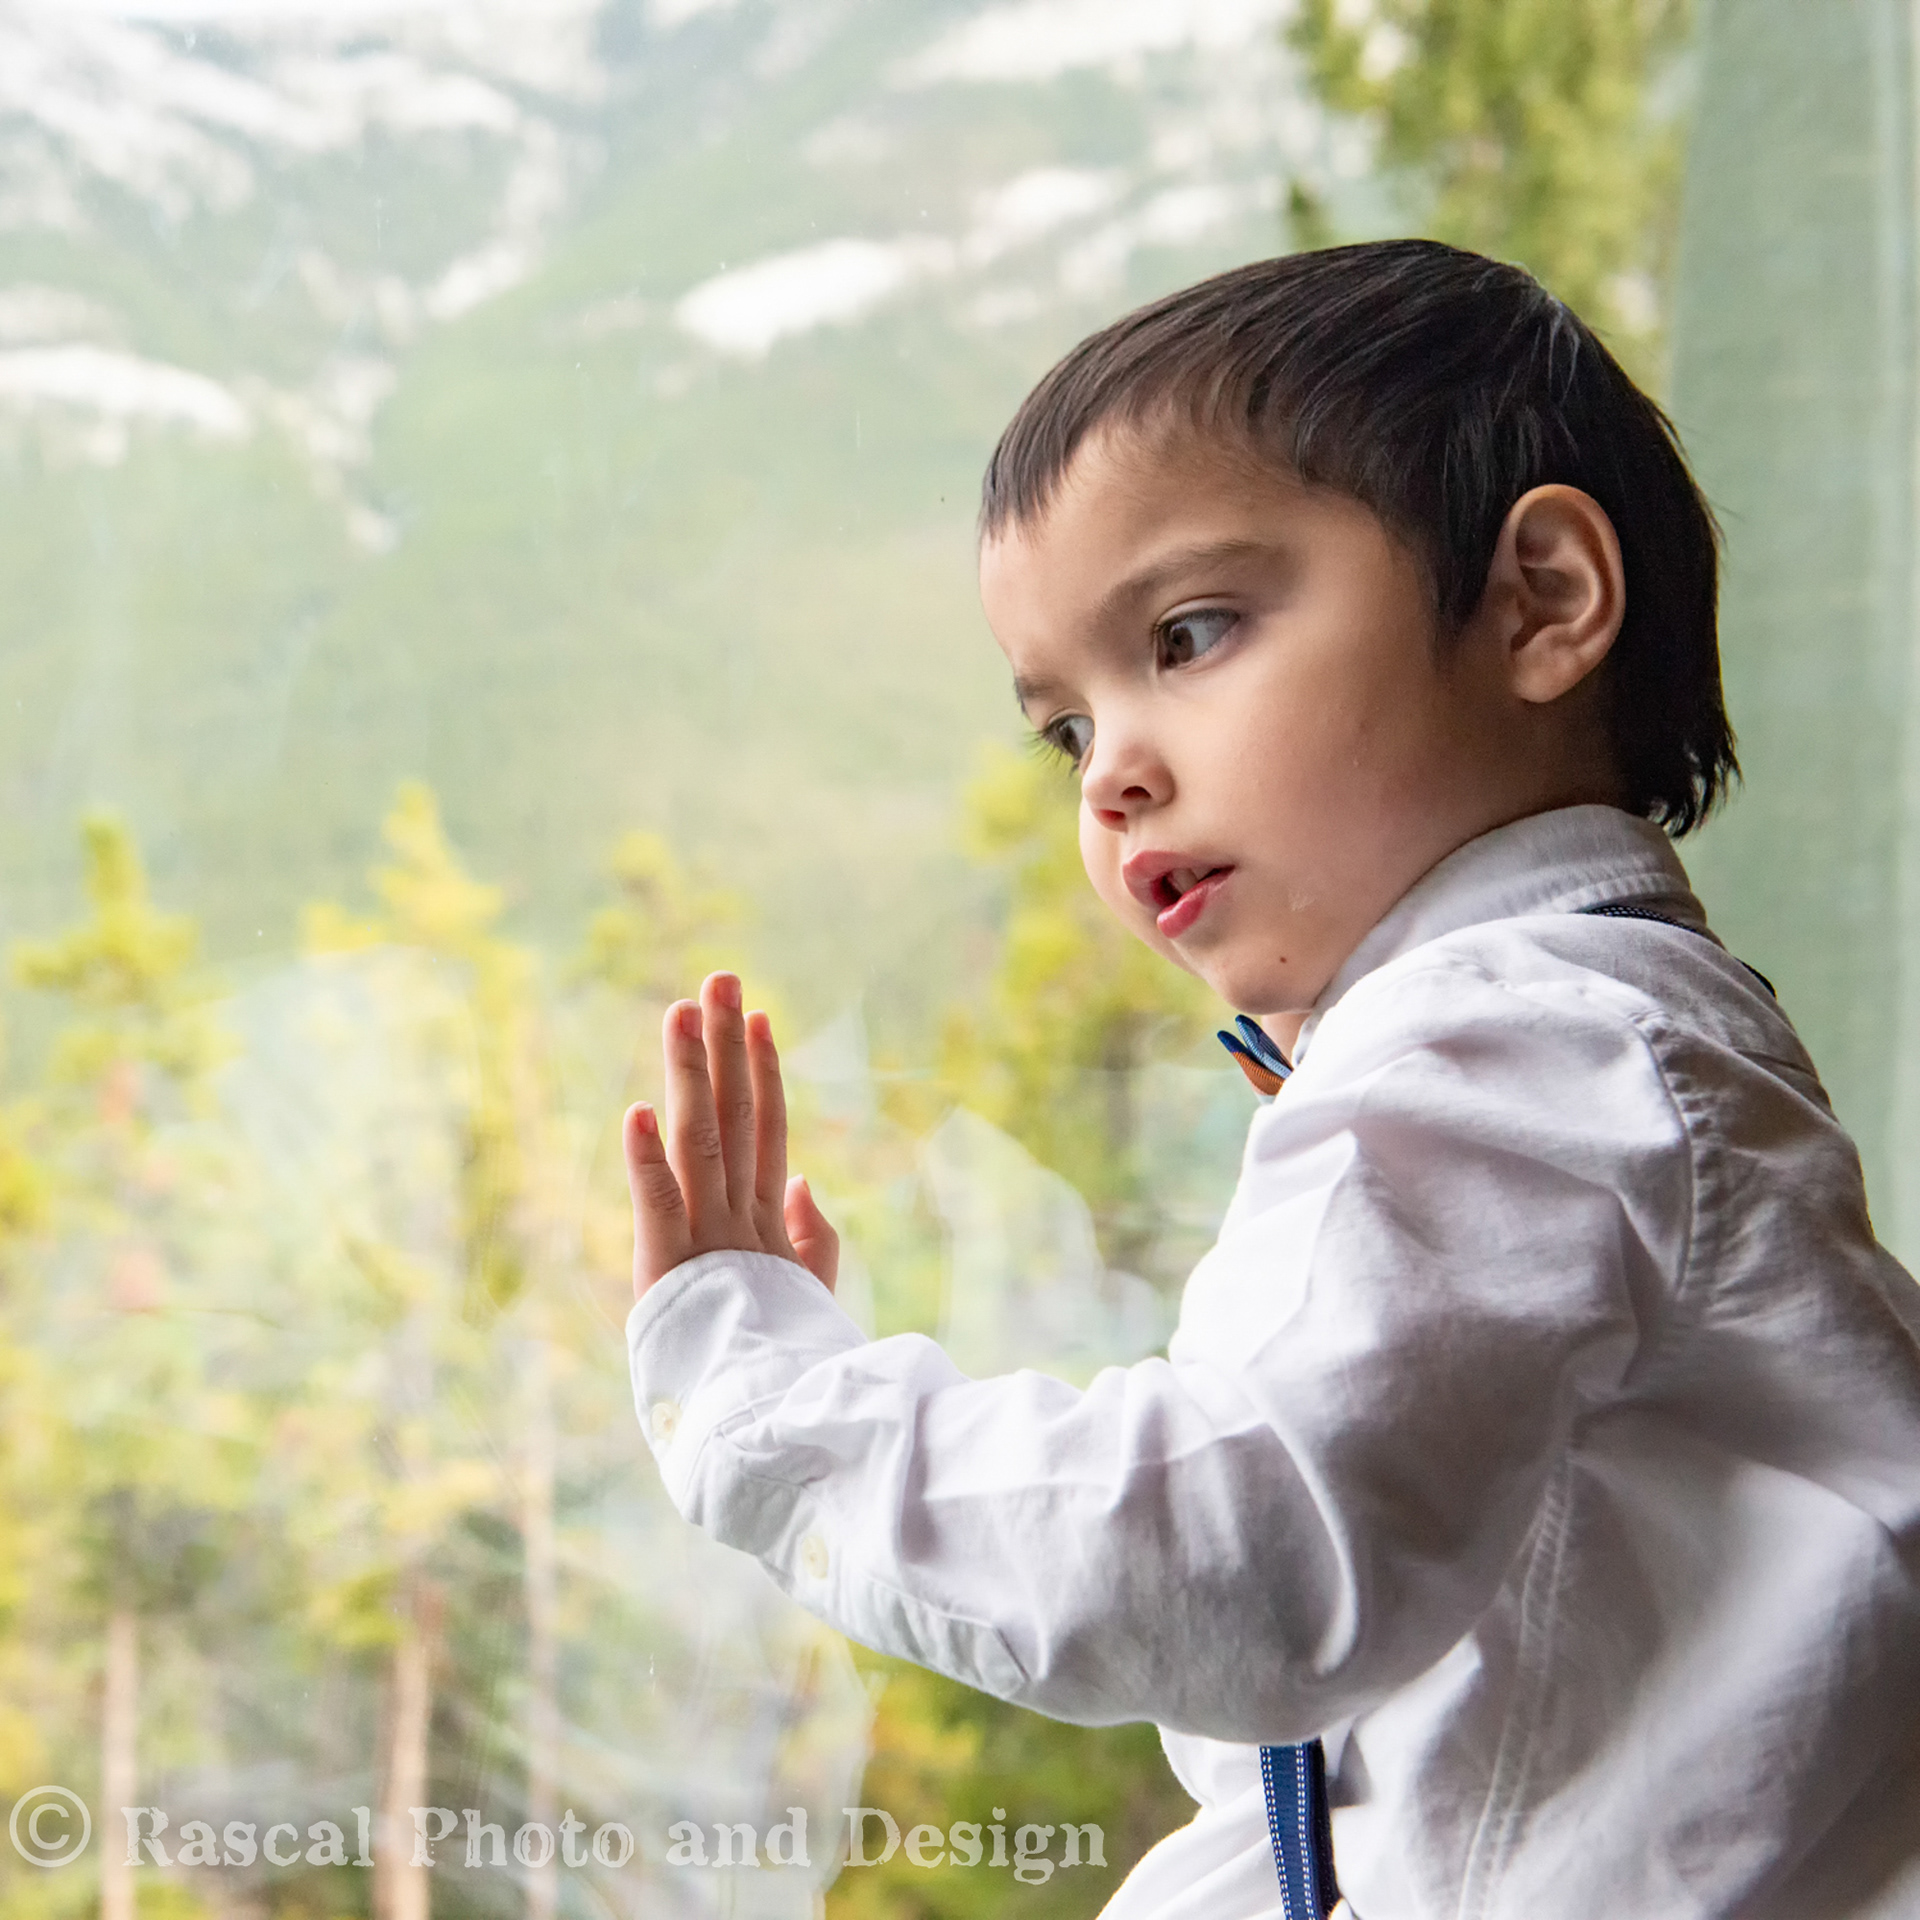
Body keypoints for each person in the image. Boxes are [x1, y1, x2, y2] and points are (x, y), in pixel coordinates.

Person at [618, 241, 1920, 1919]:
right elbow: (1357, 1787)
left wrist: (773, 1418)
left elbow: (1241, 1563)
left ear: (1539, 602)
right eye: (1065, 728)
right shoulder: (1559, 1040)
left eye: (1189, 633)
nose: (1113, 775)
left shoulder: (1526, 1050)